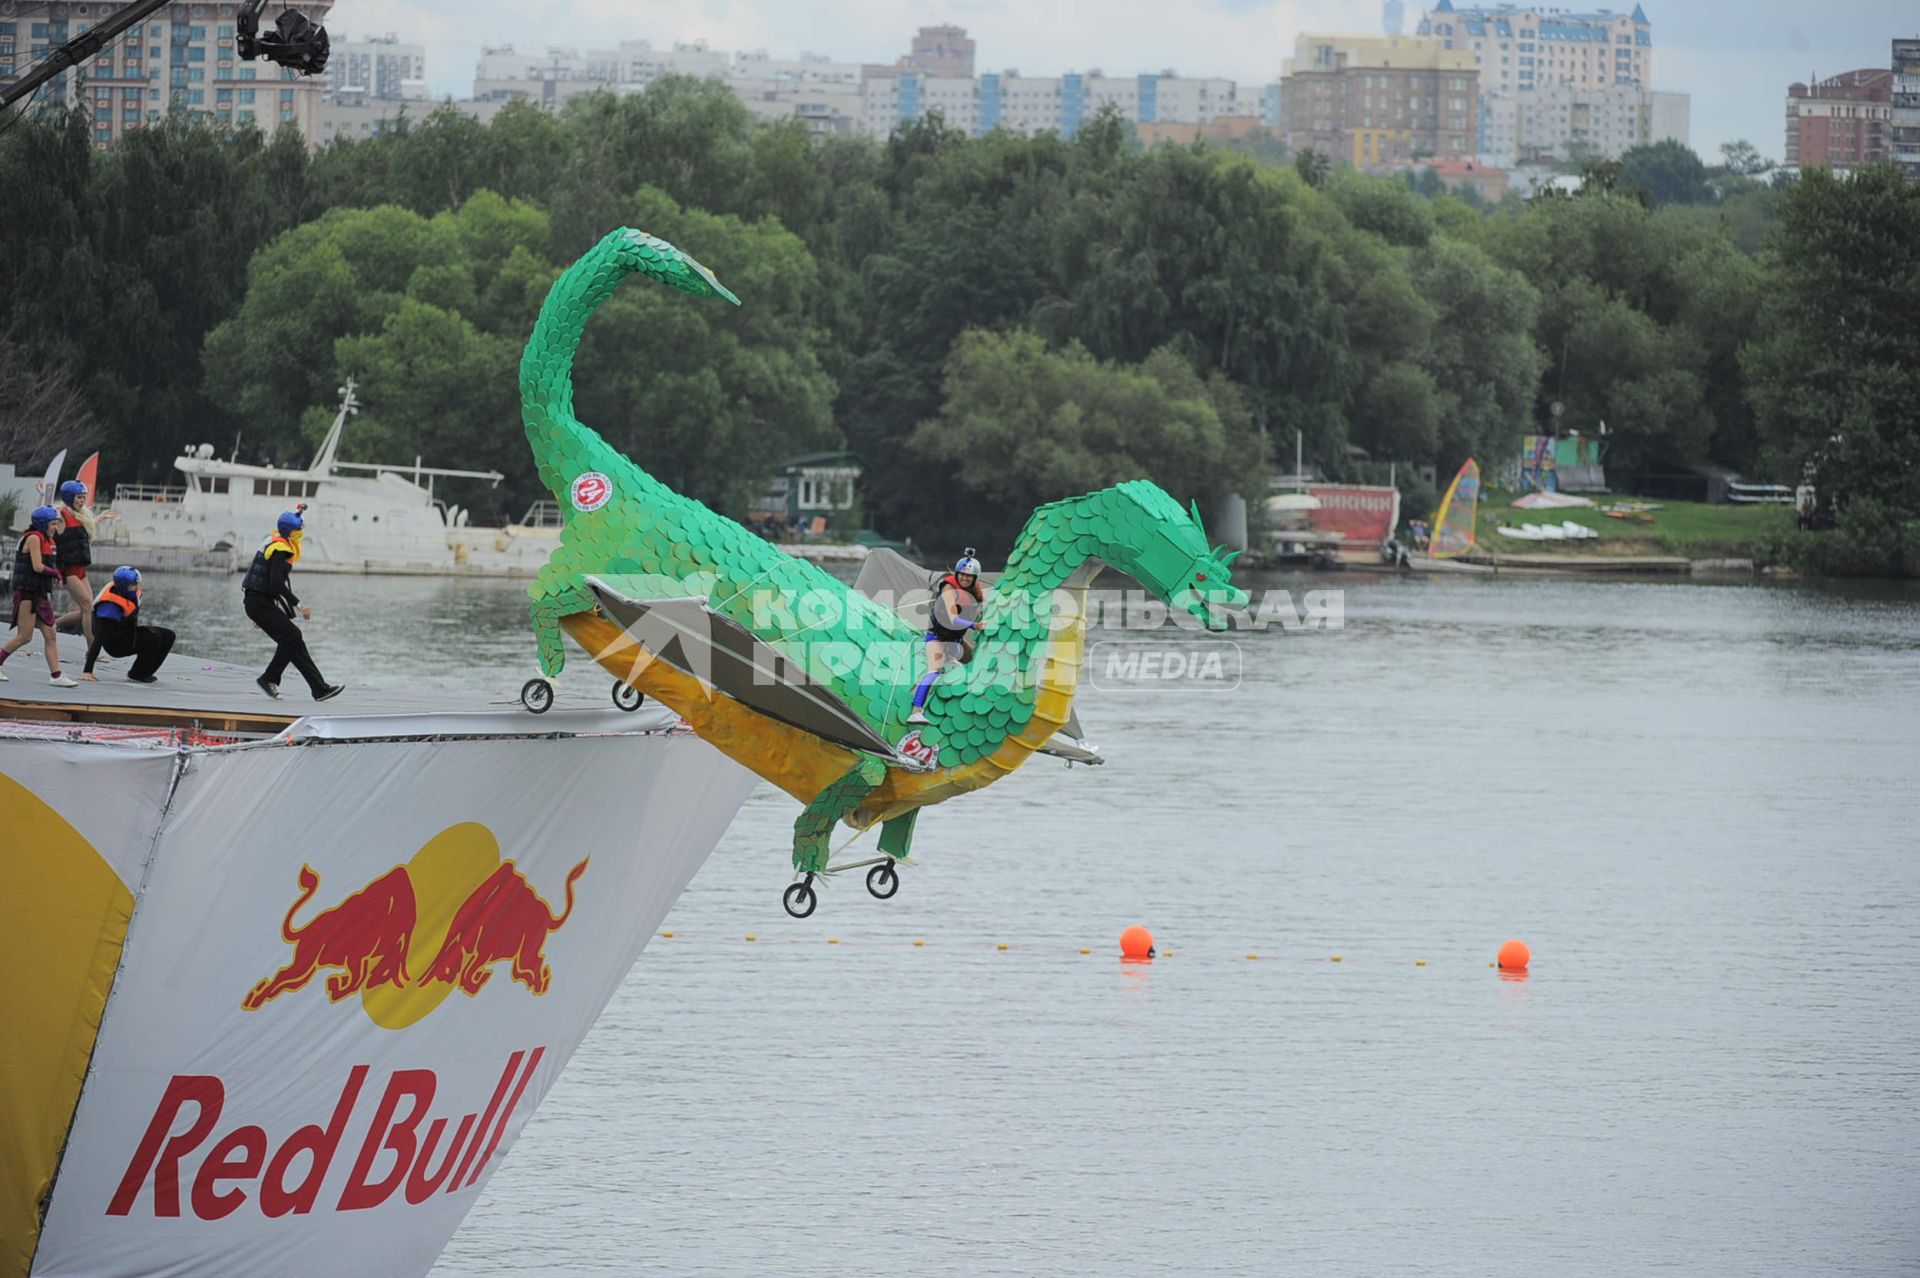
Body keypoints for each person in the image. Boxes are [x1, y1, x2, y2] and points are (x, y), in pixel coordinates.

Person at [242, 507, 344, 701]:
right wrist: (300, 605)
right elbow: (276, 584)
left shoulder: (274, 541)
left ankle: (315, 688)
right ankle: (276, 679)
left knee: (292, 641)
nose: (301, 534)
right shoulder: (281, 550)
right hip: (258, 604)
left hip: (259, 603)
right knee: (293, 637)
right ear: (290, 532)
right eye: (298, 530)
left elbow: (269, 585)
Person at [0, 506, 79, 687]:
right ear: (43, 523)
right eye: (52, 523)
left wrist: (56, 573)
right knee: (24, 636)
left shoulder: (48, 539)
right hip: (27, 594)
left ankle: (56, 675)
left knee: (51, 634)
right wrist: (56, 574)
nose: (55, 527)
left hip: (40, 594)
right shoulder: (34, 538)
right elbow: (37, 566)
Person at [906, 550, 986, 726]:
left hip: (955, 645)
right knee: (934, 671)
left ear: (975, 578)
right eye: (962, 575)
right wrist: (974, 625)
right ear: (957, 574)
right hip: (937, 639)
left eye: (969, 576)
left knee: (971, 667)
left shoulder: (976, 594)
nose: (965, 578)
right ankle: (916, 711)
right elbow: (953, 618)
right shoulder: (948, 588)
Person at [81, 566, 174, 684]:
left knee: (169, 635)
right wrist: (88, 670)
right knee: (153, 638)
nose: (136, 587)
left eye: (136, 583)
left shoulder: (128, 593)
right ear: (123, 586)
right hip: (116, 644)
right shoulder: (109, 607)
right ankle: (136, 675)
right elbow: (99, 636)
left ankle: (145, 673)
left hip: (127, 633)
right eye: (133, 585)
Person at [52, 479, 97, 647]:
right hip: (69, 571)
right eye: (79, 497)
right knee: (86, 606)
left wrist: (101, 518)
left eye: (84, 497)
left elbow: (82, 532)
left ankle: (54, 624)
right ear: (69, 497)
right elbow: (49, 522)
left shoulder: (82, 516)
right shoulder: (62, 515)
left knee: (89, 609)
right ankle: (91, 648)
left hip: (81, 570)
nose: (82, 501)